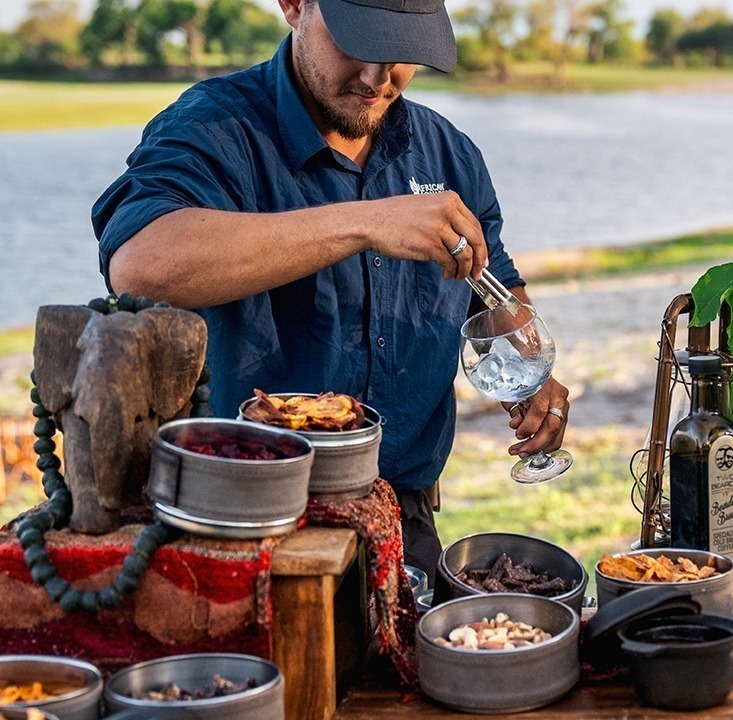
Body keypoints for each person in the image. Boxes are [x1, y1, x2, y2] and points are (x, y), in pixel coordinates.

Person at [91, 0, 570, 578]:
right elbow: (141, 263)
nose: (377, 77)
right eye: (358, 43)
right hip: (241, 518)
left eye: (402, 54)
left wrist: (528, 367)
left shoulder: (450, 153)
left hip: (403, 514)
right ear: (294, 6)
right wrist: (365, 222)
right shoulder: (212, 126)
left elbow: (494, 285)